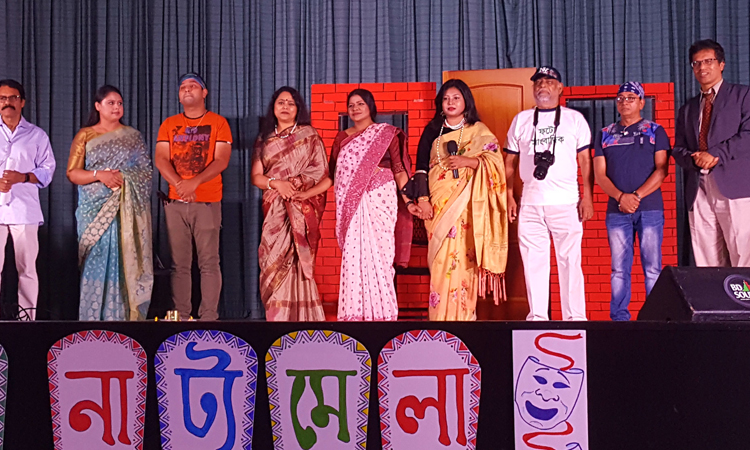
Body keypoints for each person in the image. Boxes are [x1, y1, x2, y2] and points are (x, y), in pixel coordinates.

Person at [405, 79, 508, 321]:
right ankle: (439, 319)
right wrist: (423, 199)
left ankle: (464, 318)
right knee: (441, 260)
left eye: (456, 98)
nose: (450, 103)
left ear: (466, 102)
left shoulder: (479, 131)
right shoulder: (432, 130)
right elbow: (421, 169)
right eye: (446, 99)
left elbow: (496, 165)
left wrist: (467, 161)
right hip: (438, 205)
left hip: (467, 208)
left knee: (464, 259)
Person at [504, 66, 594, 321]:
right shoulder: (521, 120)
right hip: (530, 203)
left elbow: (585, 160)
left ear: (560, 88)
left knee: (570, 263)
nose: (542, 86)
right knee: (533, 263)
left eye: (549, 81)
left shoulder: (574, 119)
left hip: (566, 202)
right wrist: (508, 195)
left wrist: (587, 197)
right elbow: (509, 162)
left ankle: (575, 319)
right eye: (538, 82)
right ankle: (537, 318)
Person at [67, 85, 153, 321]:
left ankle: (123, 321)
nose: (116, 107)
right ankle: (92, 320)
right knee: (95, 259)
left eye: (120, 103)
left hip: (125, 211)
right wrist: (100, 175)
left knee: (125, 261)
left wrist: (124, 178)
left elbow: (145, 172)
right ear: (98, 106)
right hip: (93, 210)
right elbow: (73, 173)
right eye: (111, 103)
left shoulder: (133, 136)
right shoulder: (86, 135)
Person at [330, 89, 413, 321]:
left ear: (370, 107)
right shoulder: (342, 139)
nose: (355, 108)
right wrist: (305, 193)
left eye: (360, 104)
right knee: (353, 259)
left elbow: (399, 170)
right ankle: (354, 315)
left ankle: (384, 315)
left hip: (380, 200)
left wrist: (409, 200)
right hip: (352, 205)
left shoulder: (386, 133)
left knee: (382, 257)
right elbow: (332, 176)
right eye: (351, 105)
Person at [154, 73, 232, 321]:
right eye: (183, 87)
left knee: (209, 263)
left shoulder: (218, 123)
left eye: (193, 86)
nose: (187, 90)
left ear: (204, 93)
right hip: (176, 203)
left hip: (207, 202)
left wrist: (194, 183)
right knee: (179, 265)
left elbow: (221, 160)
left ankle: (208, 317)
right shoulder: (169, 124)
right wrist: (179, 184)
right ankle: (181, 316)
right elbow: (161, 159)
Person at [251, 87, 330, 321]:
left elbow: (321, 172)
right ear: (273, 108)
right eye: (281, 102)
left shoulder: (309, 135)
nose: (285, 106)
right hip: (274, 210)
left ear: (298, 109)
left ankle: (304, 320)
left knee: (298, 261)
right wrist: (277, 184)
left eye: (291, 103)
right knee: (272, 259)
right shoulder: (264, 139)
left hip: (300, 208)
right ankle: (278, 319)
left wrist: (296, 185)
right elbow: (256, 177)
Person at [593, 82, 670, 321]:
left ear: (641, 102)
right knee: (619, 269)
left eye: (631, 97)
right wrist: (620, 197)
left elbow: (662, 170)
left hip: (649, 209)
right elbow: (599, 175)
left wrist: (636, 196)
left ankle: (655, 318)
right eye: (621, 98)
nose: (625, 102)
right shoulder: (605, 134)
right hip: (617, 212)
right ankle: (619, 319)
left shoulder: (655, 131)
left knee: (653, 268)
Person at [673, 39, 750, 267]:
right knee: (706, 262)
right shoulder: (688, 108)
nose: (702, 68)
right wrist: (694, 159)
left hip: (735, 188)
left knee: (743, 255)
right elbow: (678, 149)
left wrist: (715, 154)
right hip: (699, 190)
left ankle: (743, 293)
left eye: (708, 61)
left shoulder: (743, 96)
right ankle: (714, 294)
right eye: (696, 63)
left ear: (721, 64)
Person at [0, 79, 56, 321]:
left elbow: (48, 171)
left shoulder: (37, 135)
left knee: (27, 269)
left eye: (13, 98)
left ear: (22, 102)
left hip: (25, 210)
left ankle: (27, 322)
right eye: (2, 98)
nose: (7, 103)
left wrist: (22, 177)